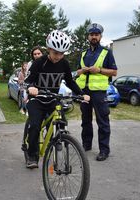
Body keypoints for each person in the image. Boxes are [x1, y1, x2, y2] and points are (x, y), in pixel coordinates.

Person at [24, 30, 90, 168]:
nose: (58, 56)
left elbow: (70, 82)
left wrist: (81, 94)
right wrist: (31, 87)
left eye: (62, 53)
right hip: (37, 99)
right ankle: (32, 155)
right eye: (55, 53)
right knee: (35, 125)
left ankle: (57, 139)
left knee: (62, 121)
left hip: (52, 99)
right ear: (48, 49)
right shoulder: (39, 63)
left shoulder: (64, 64)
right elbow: (27, 81)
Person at [75, 23, 117, 161]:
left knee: (102, 121)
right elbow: (77, 72)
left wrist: (99, 70)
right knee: (85, 120)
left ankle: (104, 150)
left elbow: (114, 72)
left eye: (96, 34)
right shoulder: (83, 54)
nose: (94, 37)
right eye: (92, 34)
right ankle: (86, 145)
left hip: (99, 93)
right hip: (84, 92)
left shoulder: (106, 52)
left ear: (100, 36)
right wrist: (80, 71)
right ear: (88, 36)